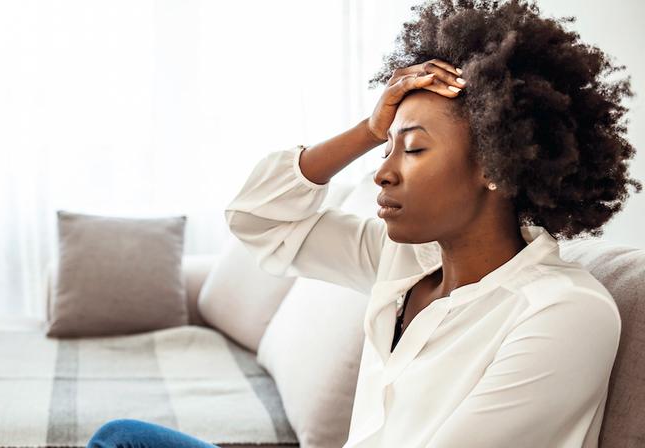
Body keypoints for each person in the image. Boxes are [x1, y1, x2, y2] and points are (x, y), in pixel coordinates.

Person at [87, 1, 641, 447]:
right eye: (386, 147)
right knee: (122, 438)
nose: (382, 173)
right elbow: (257, 218)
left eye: (413, 149)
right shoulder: (403, 261)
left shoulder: (562, 312)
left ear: (496, 165)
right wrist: (367, 128)